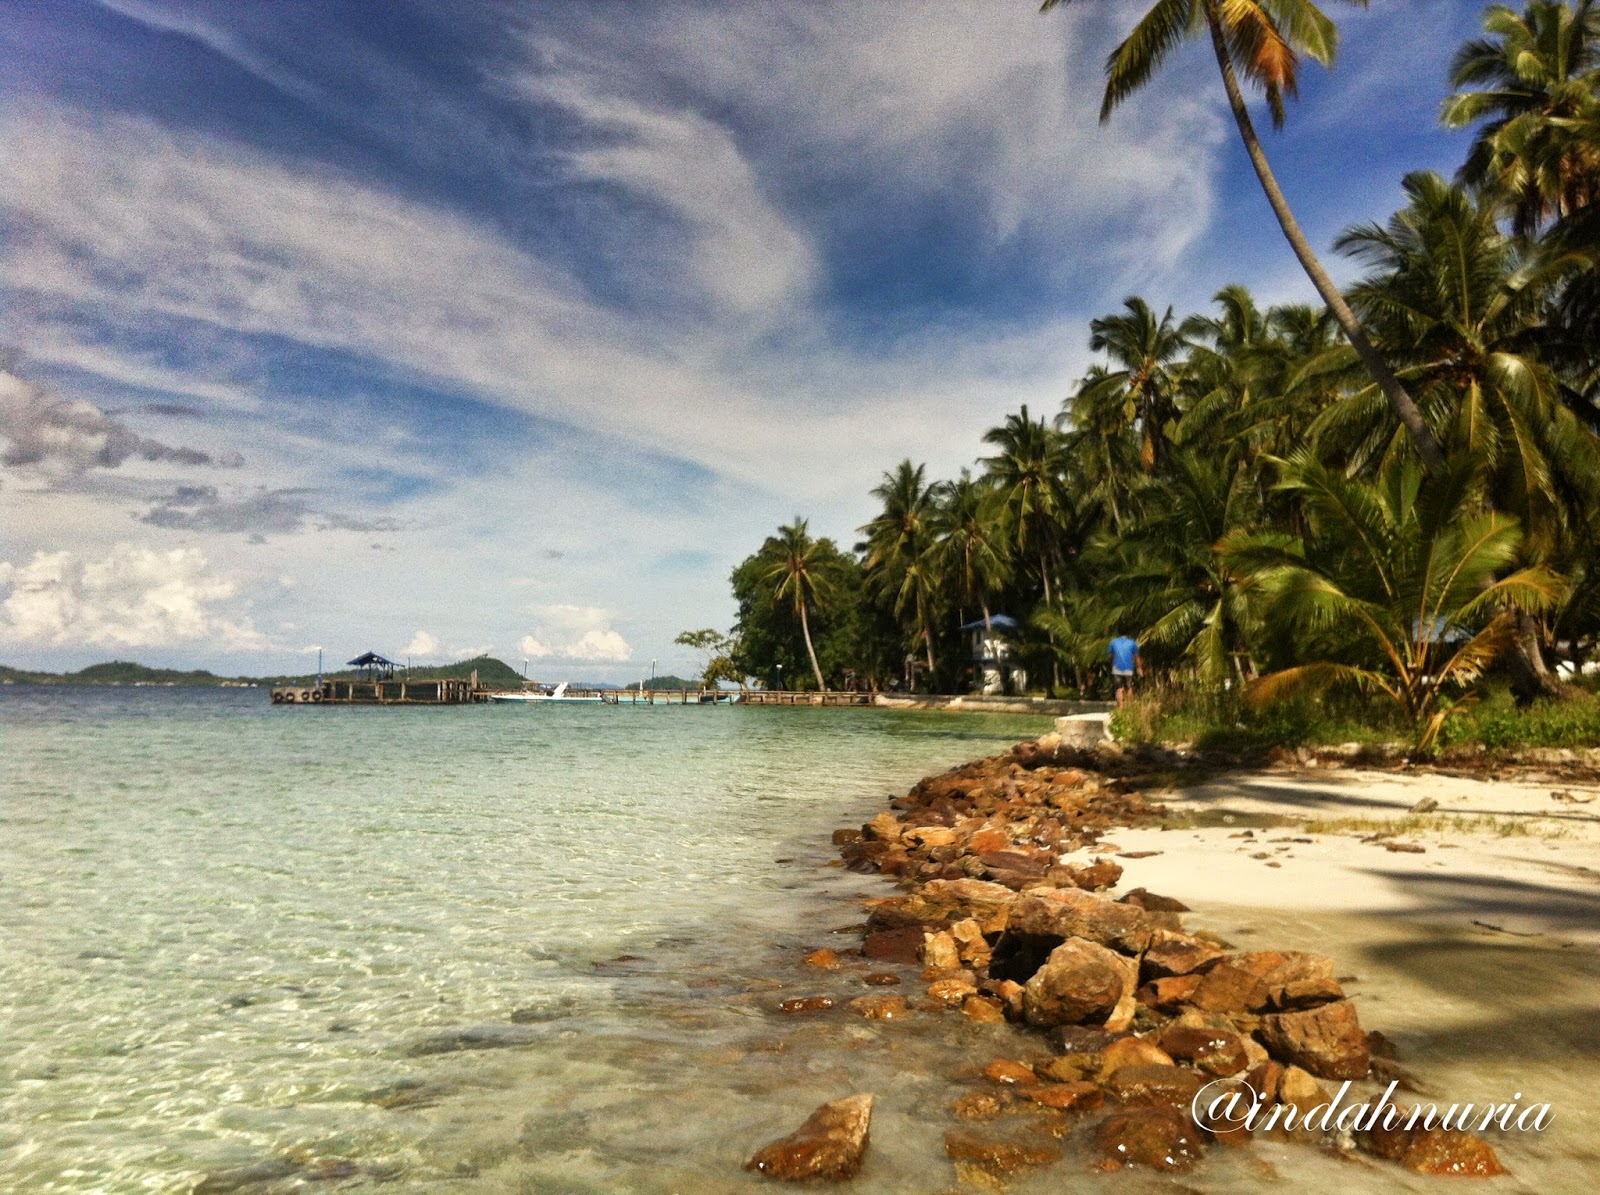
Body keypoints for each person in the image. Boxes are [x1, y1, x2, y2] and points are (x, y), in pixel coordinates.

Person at [1108, 633, 1142, 708]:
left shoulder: (1113, 642)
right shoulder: (1132, 642)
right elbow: (1137, 657)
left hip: (1117, 668)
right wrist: (1139, 668)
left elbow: (1110, 656)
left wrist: (1111, 663)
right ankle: (1130, 706)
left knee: (1119, 688)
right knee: (1129, 687)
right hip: (1129, 668)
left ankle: (1121, 706)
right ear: (1127, 634)